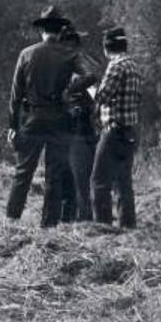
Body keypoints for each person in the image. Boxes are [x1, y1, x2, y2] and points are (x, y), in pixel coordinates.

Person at [6, 5, 94, 227]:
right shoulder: (70, 54)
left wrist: (12, 125)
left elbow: (15, 95)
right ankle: (48, 226)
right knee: (54, 176)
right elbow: (92, 75)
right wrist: (70, 90)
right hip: (59, 121)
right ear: (60, 30)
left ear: (41, 30)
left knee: (23, 172)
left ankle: (11, 220)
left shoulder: (26, 54)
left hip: (32, 119)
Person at [90, 26, 145, 228]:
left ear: (107, 48)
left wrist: (89, 86)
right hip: (130, 130)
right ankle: (128, 226)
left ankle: (103, 227)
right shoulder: (134, 67)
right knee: (123, 183)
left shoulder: (116, 66)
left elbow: (102, 97)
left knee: (99, 181)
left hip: (113, 130)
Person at [59, 25, 101, 222]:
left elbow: (94, 85)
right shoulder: (68, 65)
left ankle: (84, 218)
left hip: (80, 129)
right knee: (73, 176)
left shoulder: (81, 64)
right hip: (74, 127)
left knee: (80, 176)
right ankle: (75, 217)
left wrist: (70, 92)